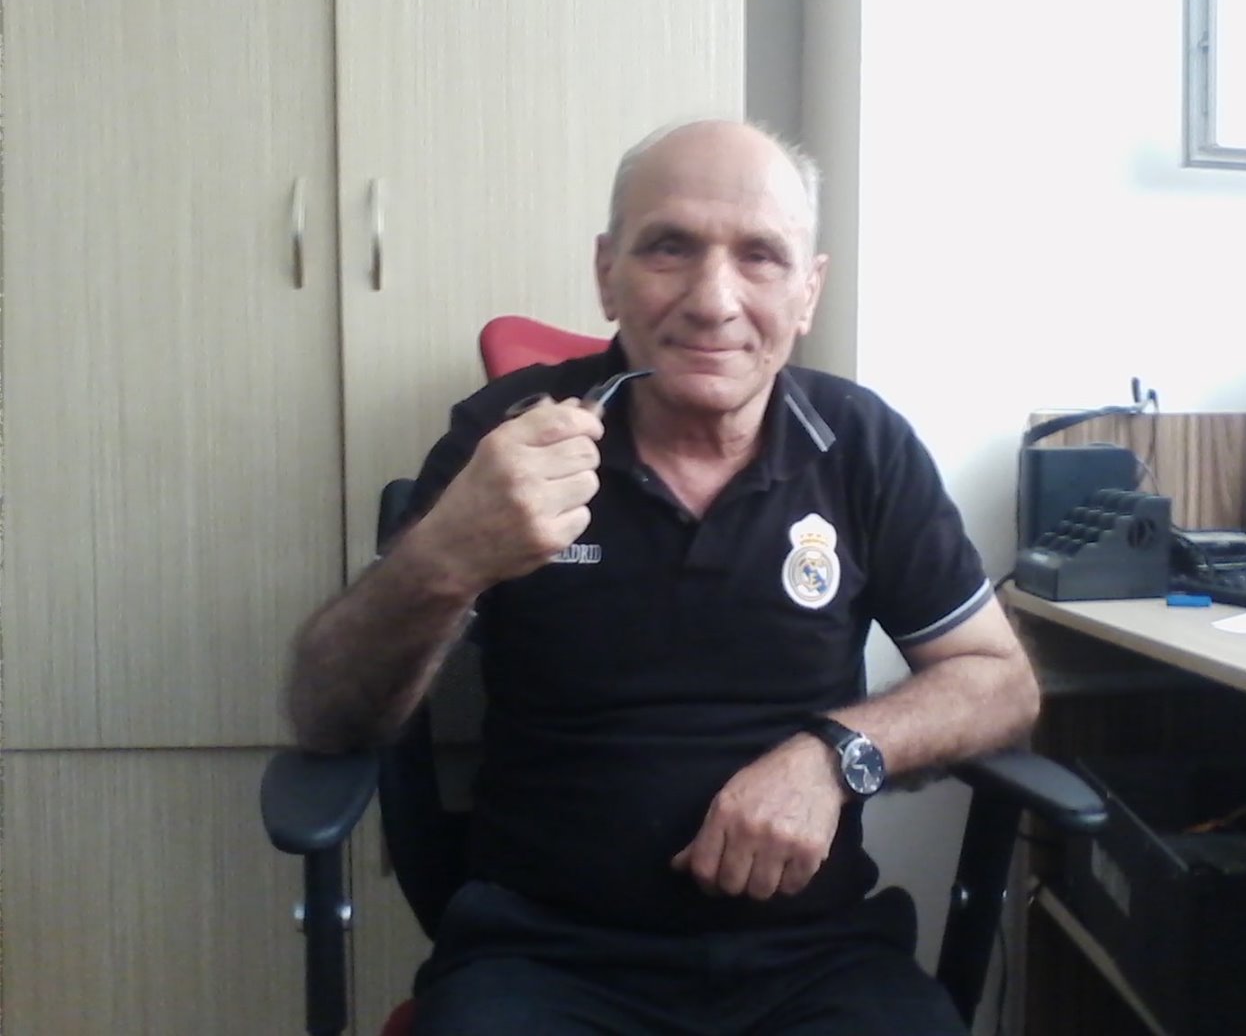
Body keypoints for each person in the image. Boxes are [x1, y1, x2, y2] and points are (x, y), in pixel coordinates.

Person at [287, 119, 1040, 1035]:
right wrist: (445, 558)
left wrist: (836, 755)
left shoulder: (861, 444)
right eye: (670, 247)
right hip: (541, 958)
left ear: (808, 291)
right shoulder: (507, 437)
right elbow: (328, 713)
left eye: (760, 256)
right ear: (607, 272)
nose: (714, 300)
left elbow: (1000, 683)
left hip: (816, 958)